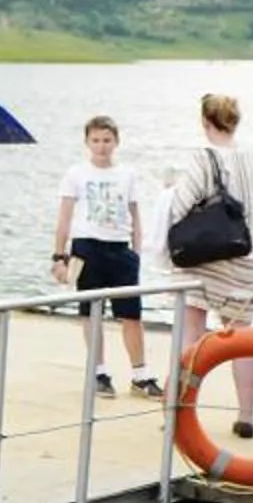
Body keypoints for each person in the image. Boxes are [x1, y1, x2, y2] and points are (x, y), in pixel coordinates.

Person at [164, 93, 253, 439]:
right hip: (245, 257)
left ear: (205, 121)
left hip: (203, 261)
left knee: (191, 336)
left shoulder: (201, 159)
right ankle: (246, 416)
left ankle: (179, 410)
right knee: (242, 340)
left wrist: (169, 191)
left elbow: (180, 207)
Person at [50, 115, 163, 398]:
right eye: (96, 141)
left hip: (119, 249)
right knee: (92, 313)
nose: (101, 146)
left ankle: (140, 374)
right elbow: (64, 218)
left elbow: (135, 217)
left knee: (131, 315)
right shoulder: (76, 174)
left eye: (107, 140)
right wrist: (58, 256)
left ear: (116, 142)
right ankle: (99, 372)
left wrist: (136, 253)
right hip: (87, 247)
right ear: (87, 142)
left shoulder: (127, 175)